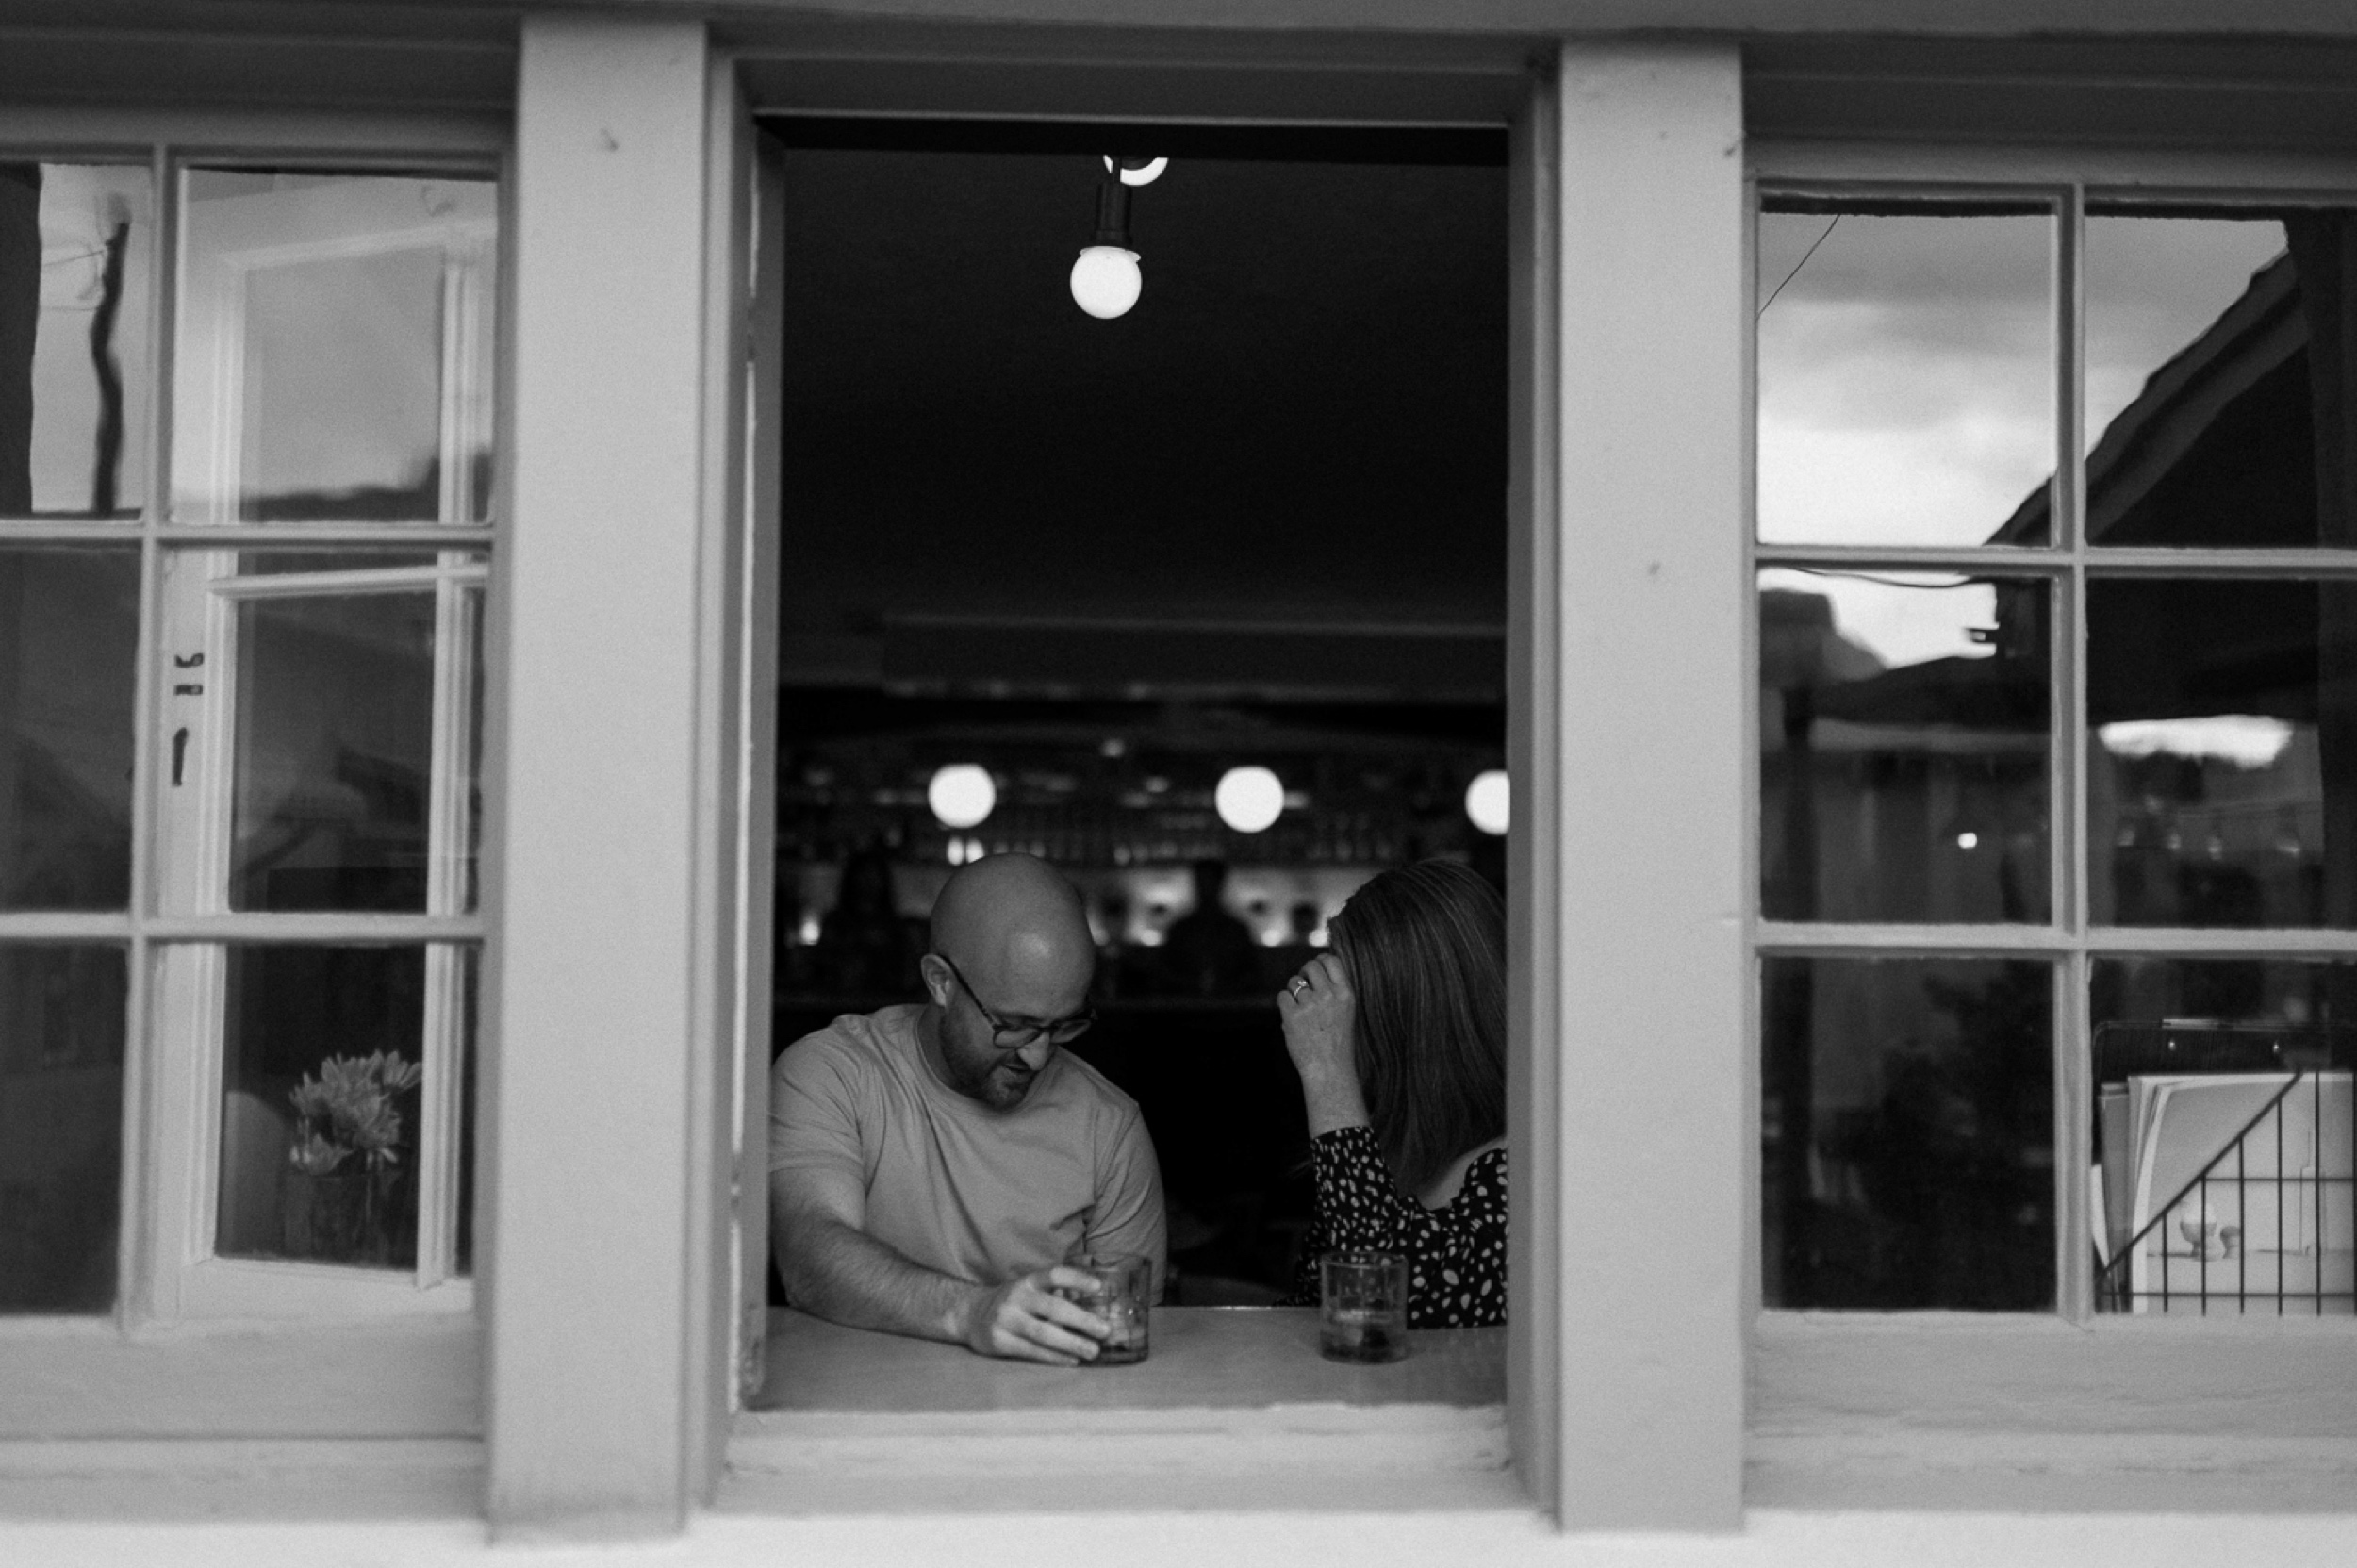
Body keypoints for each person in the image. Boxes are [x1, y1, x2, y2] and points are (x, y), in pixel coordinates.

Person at [769, 852, 1167, 1364]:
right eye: (1013, 1023)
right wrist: (970, 1312)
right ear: (941, 982)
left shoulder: (1108, 1125)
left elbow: (1128, 1336)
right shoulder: (833, 1073)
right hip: (857, 1418)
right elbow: (808, 1255)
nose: (1038, 1055)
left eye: (1061, 1026)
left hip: (1040, 1427)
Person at [1275, 858, 1507, 1327]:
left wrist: (1327, 1071)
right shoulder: (1391, 1149)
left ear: (1401, 1017)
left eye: (1347, 1001)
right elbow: (1314, 1308)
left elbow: (1386, 1303)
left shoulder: (1523, 1164)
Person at [1159, 858, 1262, 998]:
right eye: (1202, 881)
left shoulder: (1236, 930)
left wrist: (1227, 988)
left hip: (1230, 1008)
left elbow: (1251, 974)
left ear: (1220, 883)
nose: (1205, 887)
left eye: (1209, 881)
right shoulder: (1181, 929)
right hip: (1186, 1008)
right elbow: (1165, 972)